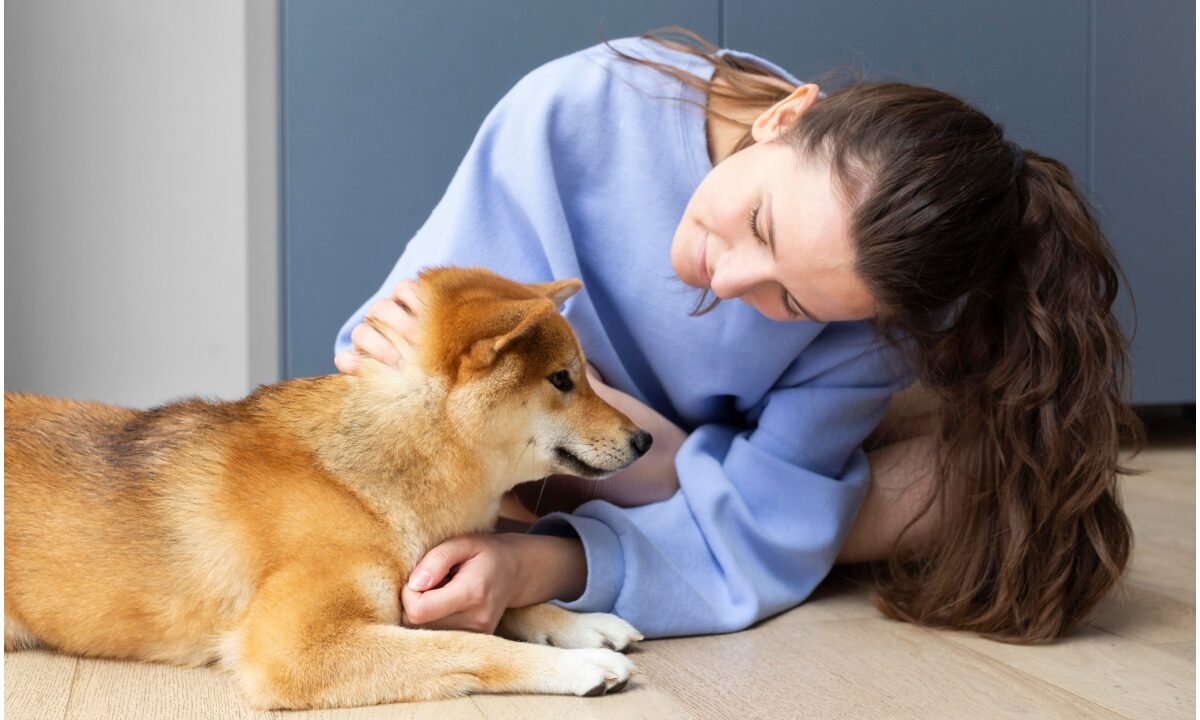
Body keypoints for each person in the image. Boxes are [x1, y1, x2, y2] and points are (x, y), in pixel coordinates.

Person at [333, 29, 1141, 643]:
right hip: (579, 444)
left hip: (670, 453)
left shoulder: (869, 327)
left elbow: (762, 505)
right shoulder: (582, 107)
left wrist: (541, 564)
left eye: (789, 297)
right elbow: (400, 357)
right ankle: (709, 510)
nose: (725, 280)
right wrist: (651, 452)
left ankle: (707, 512)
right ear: (787, 118)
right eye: (759, 221)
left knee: (972, 471)